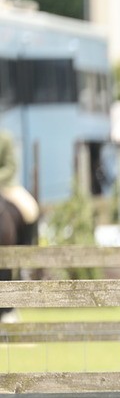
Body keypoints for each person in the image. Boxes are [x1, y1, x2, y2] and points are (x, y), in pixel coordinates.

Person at [0, 130, 39, 323]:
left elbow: (10, 166)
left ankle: (26, 254)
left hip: (6, 186)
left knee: (30, 208)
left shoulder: (5, 137)